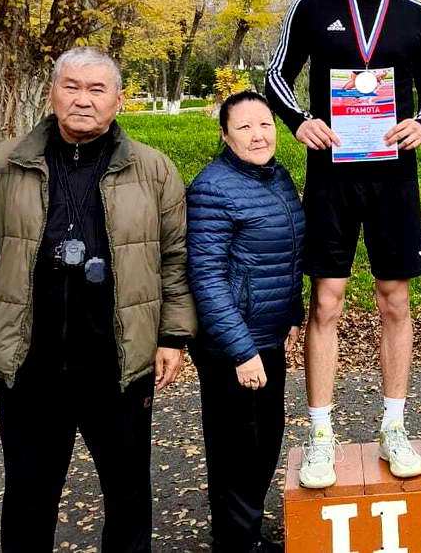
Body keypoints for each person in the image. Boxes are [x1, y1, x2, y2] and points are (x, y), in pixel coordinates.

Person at [0, 47, 196, 552]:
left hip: (119, 360)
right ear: (52, 93)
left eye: (96, 89)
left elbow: (175, 258)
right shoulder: (5, 164)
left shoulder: (153, 170)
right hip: (30, 360)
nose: (82, 100)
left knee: (128, 492)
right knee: (28, 494)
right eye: (71, 87)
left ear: (118, 101)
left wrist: (173, 337)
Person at [265, 0, 421, 488]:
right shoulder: (312, 9)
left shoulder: (418, 15)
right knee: (327, 302)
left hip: (393, 179)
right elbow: (276, 75)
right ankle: (321, 434)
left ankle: (394, 426)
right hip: (331, 178)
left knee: (395, 301)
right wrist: (300, 121)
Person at [186, 91, 305, 552]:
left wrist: (291, 314)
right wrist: (241, 351)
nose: (258, 136)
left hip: (267, 334)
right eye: (244, 127)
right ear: (225, 135)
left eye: (265, 125)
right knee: (235, 448)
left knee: (266, 438)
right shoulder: (212, 188)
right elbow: (207, 277)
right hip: (232, 345)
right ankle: (236, 541)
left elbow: (286, 254)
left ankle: (246, 531)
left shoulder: (277, 177)